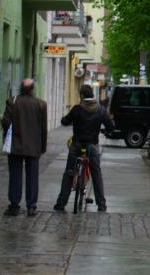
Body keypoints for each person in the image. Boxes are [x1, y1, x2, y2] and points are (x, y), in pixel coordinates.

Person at [54, 84, 115, 212]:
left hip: (77, 144)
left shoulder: (77, 109)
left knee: (69, 172)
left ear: (81, 95)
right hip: (92, 145)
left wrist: (65, 119)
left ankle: (61, 203)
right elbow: (111, 126)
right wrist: (106, 131)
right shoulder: (100, 109)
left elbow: (65, 121)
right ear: (92, 94)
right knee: (96, 172)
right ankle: (101, 204)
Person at [0, 78, 48, 216]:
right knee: (32, 177)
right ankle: (31, 206)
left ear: (21, 88)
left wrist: (8, 135)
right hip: (34, 146)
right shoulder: (41, 104)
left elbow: (6, 122)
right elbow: (43, 128)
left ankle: (14, 206)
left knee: (15, 176)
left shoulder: (12, 102)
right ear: (33, 89)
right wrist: (42, 147)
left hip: (15, 145)